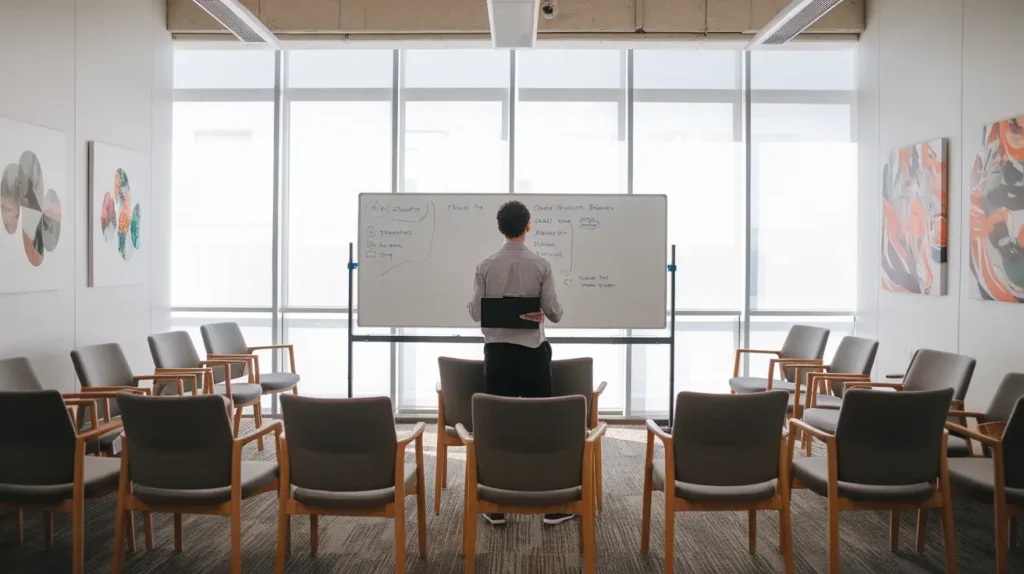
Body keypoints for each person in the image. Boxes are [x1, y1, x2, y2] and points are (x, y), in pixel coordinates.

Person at [467, 200, 570, 527]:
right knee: (541, 429)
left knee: (498, 429)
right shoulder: (541, 264)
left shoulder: (485, 265)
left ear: (500, 228)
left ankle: (496, 505)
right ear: (528, 226)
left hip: (497, 356)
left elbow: (475, 312)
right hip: (532, 356)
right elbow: (553, 312)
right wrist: (543, 312)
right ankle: (551, 506)